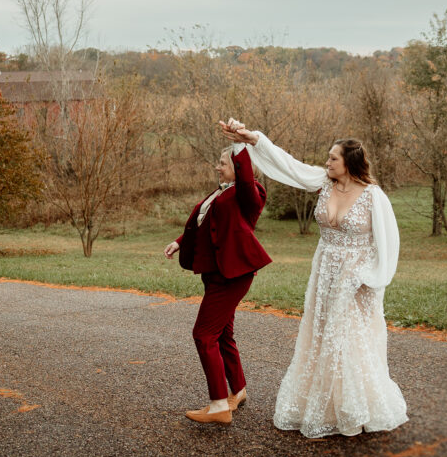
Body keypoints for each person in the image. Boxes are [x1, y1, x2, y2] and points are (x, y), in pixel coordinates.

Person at [220, 118, 408, 438]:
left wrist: (370, 277)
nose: (327, 161)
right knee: (321, 335)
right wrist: (254, 140)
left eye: (333, 157)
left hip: (357, 279)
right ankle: (325, 406)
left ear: (349, 163)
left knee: (347, 337)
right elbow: (289, 166)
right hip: (323, 274)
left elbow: (388, 243)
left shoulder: (373, 196)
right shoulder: (323, 182)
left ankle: (354, 408)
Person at [163, 145, 271, 425]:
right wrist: (179, 241)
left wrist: (240, 145)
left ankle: (219, 405)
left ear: (237, 168)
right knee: (222, 333)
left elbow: (246, 179)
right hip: (215, 273)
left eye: (222, 163)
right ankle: (238, 390)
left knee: (203, 334)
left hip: (232, 276)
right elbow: (203, 222)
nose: (217, 166)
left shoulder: (250, 193)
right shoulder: (221, 192)